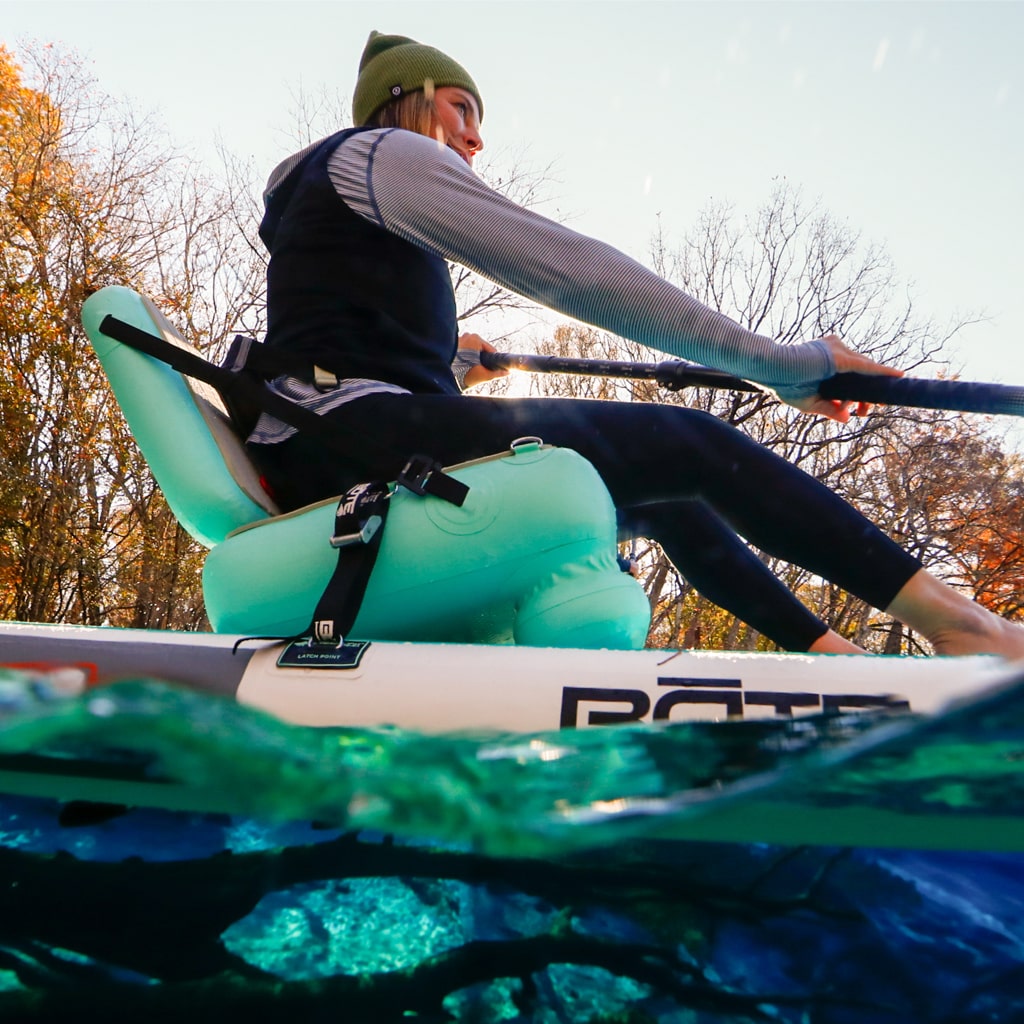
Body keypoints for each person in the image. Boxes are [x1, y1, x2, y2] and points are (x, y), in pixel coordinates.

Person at [246, 30, 1024, 659]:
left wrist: (449, 358)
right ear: (402, 101)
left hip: (339, 441)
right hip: (342, 441)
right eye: (459, 108)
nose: (475, 137)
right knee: (685, 441)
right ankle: (966, 627)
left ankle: (831, 663)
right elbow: (572, 273)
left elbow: (336, 330)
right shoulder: (384, 153)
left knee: (673, 504)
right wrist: (783, 366)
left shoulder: (329, 199)